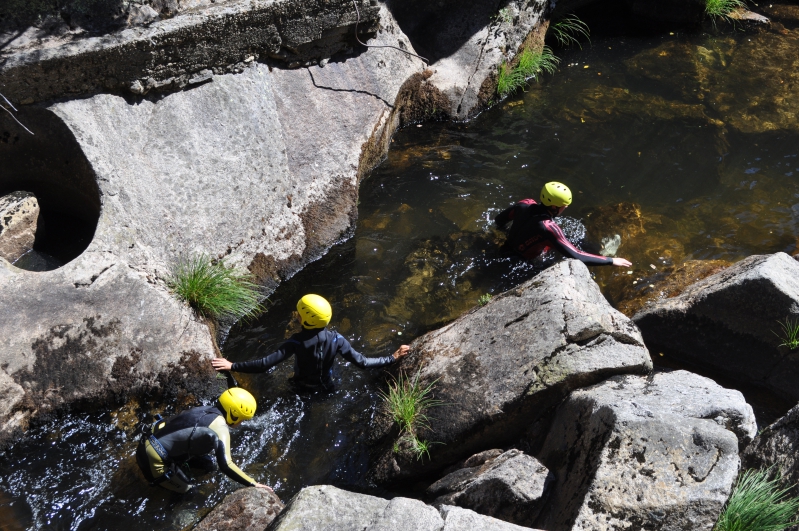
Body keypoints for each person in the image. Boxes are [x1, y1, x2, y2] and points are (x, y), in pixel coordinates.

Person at [212, 294, 410, 391]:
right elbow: (363, 363)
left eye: (298, 313)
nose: (295, 314)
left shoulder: (296, 342)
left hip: (301, 389)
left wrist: (232, 365)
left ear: (304, 319)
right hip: (328, 388)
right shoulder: (338, 339)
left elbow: (266, 364)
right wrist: (392, 357)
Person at [136, 387, 272, 493]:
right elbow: (226, 465)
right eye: (241, 419)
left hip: (148, 440)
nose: (241, 423)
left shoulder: (205, 409)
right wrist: (253, 483)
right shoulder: (220, 427)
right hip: (153, 458)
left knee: (209, 465)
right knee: (191, 491)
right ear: (234, 415)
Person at [495, 181, 632, 267]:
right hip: (526, 261)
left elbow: (499, 220)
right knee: (577, 244)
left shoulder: (525, 204)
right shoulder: (548, 228)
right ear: (554, 207)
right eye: (564, 205)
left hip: (506, 248)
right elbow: (577, 256)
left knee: (567, 239)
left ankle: (600, 247)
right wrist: (611, 261)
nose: (565, 208)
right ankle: (604, 250)